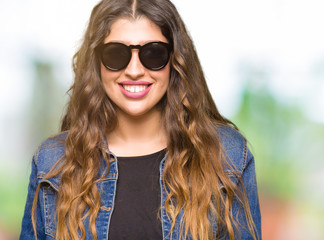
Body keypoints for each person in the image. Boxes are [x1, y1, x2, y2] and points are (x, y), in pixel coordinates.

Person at [19, 0, 261, 239]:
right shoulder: (52, 162)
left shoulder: (226, 156)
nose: (134, 71)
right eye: (116, 54)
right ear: (97, 63)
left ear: (175, 61)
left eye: (153, 54)